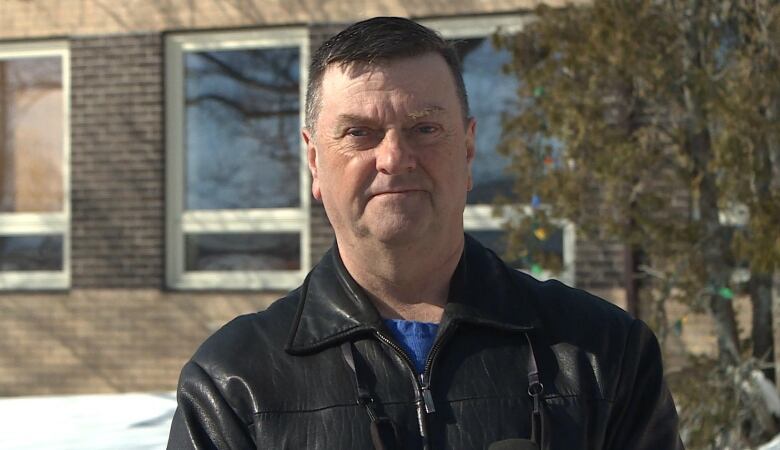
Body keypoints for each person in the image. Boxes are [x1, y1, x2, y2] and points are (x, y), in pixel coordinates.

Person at [168, 17, 684, 450]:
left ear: (467, 149)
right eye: (359, 133)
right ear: (314, 162)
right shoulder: (234, 384)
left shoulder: (604, 355)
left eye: (425, 128)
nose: (393, 158)